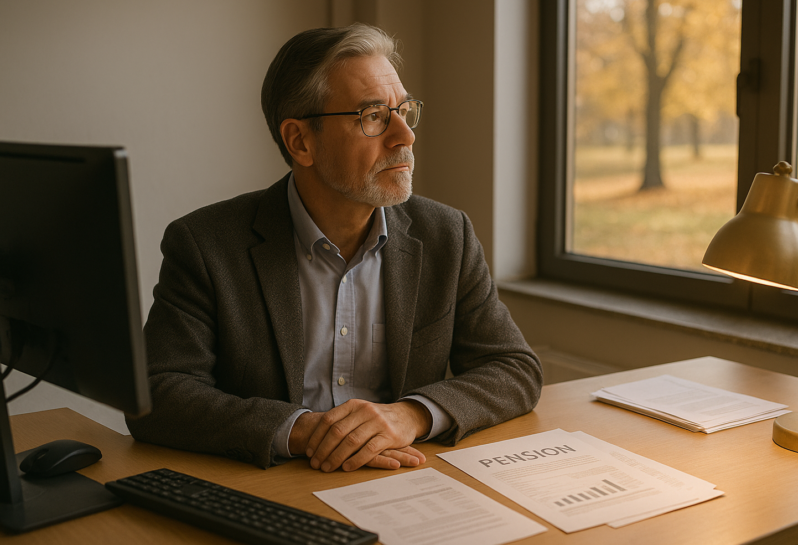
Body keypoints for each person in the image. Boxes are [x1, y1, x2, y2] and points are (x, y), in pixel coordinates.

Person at [127, 23, 543, 472]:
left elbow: (514, 368)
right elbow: (158, 392)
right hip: (272, 487)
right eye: (373, 117)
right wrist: (307, 430)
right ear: (300, 142)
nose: (405, 135)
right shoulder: (206, 244)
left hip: (405, 478)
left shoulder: (446, 234)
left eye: (404, 110)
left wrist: (410, 415)